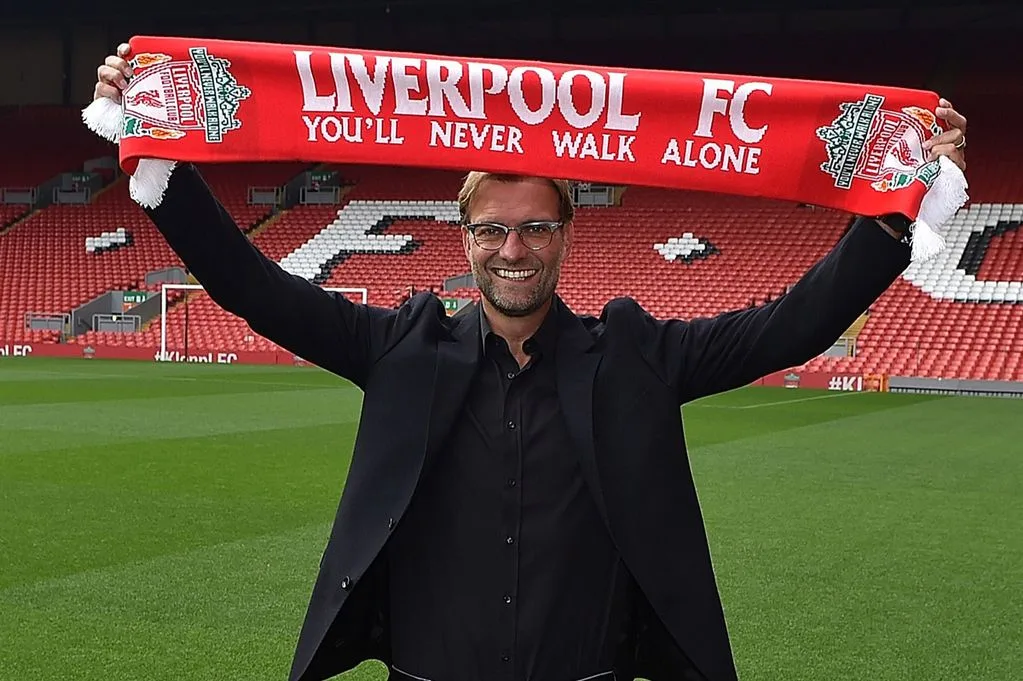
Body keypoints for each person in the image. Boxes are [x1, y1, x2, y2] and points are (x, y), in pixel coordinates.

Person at [95, 44, 967, 681]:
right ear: (466, 240)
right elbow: (253, 287)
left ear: (564, 237)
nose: (514, 249)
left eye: (536, 227)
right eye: (492, 229)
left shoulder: (634, 356)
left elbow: (788, 325)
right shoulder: (400, 348)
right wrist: (160, 156)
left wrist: (897, 205)